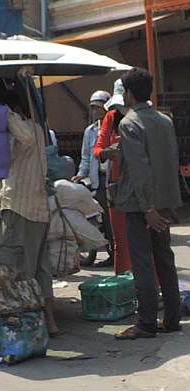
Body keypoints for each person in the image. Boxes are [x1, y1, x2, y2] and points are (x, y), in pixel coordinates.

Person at [114, 68, 182, 340]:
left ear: (128, 93)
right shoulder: (164, 121)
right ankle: (172, 317)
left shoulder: (129, 123)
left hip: (141, 204)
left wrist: (148, 208)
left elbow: (140, 169)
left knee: (143, 262)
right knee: (164, 258)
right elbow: (167, 161)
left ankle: (146, 323)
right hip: (163, 200)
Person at [0, 89, 60, 337]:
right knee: (40, 268)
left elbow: (23, 135)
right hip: (37, 209)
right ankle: (49, 322)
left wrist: (2, 112)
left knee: (11, 267)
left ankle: (18, 326)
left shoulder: (28, 130)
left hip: (20, 207)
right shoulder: (35, 131)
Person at [93, 80, 132, 275]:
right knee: (120, 242)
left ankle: (149, 288)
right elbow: (97, 149)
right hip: (116, 185)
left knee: (145, 241)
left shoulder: (141, 117)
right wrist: (107, 152)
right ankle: (123, 283)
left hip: (139, 186)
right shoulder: (110, 117)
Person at [72, 90, 113, 267]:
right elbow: (86, 157)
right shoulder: (90, 131)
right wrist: (81, 173)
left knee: (112, 220)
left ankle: (115, 253)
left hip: (111, 178)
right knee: (100, 217)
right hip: (97, 180)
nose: (95, 111)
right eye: (93, 108)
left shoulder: (114, 126)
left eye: (98, 107)